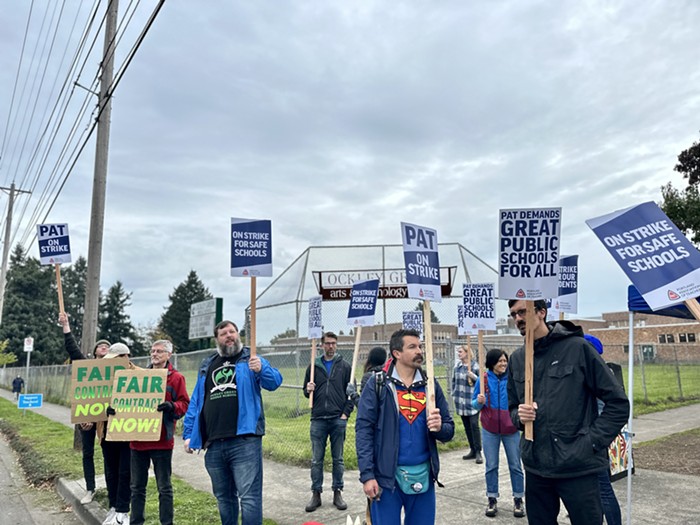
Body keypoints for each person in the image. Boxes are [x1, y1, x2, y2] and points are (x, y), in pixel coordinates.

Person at [506, 300, 630, 525]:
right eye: (513, 314)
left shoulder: (577, 348)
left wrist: (590, 443)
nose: (518, 319)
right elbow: (513, 408)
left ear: (542, 312)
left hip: (578, 468)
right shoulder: (517, 358)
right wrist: (519, 417)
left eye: (523, 312)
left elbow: (618, 404)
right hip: (536, 468)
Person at [183, 320, 283, 525]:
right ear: (217, 340)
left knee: (249, 498)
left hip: (244, 441)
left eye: (232, 331)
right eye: (223, 333)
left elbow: (274, 382)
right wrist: (188, 434)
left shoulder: (251, 359)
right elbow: (197, 401)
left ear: (238, 335)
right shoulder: (208, 364)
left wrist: (261, 368)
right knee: (224, 498)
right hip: (214, 444)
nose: (228, 335)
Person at [355, 328, 454, 525]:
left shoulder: (430, 385)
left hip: (424, 478)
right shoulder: (378, 384)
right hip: (386, 480)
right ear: (396, 353)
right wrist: (367, 475)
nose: (419, 351)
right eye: (412, 347)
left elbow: (449, 431)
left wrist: (439, 427)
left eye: (420, 346)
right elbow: (363, 430)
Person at [129, 340, 189, 525]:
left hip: (162, 440)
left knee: (164, 487)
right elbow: (125, 401)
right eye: (153, 351)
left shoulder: (176, 378)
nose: (154, 354)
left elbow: (185, 404)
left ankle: (166, 523)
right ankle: (136, 521)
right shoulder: (139, 376)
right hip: (138, 441)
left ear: (169, 355)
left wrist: (172, 406)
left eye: (159, 351)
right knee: (137, 487)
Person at [58, 312, 111, 505]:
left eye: (107, 346)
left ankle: (112, 487)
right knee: (88, 453)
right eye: (101, 345)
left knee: (110, 454)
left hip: (108, 419)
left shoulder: (118, 369)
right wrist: (66, 325)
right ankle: (90, 489)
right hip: (88, 417)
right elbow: (72, 348)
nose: (104, 347)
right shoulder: (86, 366)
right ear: (96, 351)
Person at [303, 331, 353, 512]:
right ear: (322, 345)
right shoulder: (313, 367)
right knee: (317, 460)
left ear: (336, 345)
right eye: (327, 343)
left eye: (333, 343)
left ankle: (337, 492)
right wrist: (308, 389)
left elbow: (352, 394)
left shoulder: (346, 367)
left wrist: (345, 415)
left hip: (337, 419)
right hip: (318, 419)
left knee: (338, 459)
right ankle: (316, 494)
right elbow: (305, 391)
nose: (330, 346)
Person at [472, 349, 525, 518]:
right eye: (500, 361)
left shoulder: (512, 379)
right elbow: (474, 405)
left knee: (516, 466)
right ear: (492, 362)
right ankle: (492, 498)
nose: (503, 364)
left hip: (511, 430)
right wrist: (478, 401)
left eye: (505, 361)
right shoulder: (483, 380)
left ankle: (518, 498)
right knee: (491, 465)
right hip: (490, 430)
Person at [584, 334, 623, 525]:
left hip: (593, 442)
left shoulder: (597, 375)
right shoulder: (599, 372)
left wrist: (592, 439)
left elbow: (604, 409)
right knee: (595, 490)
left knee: (603, 489)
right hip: (594, 440)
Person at [103, 342, 138, 525]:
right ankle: (113, 507)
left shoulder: (139, 375)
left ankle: (123, 510)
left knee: (125, 472)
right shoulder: (103, 375)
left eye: (115, 358)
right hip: (106, 432)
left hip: (127, 433)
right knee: (111, 472)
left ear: (125, 357)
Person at [452, 345, 483, 464]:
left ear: (467, 353)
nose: (459, 354)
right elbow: (454, 381)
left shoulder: (475, 366)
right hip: (461, 401)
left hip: (472, 402)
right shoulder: (457, 367)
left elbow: (482, 382)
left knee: (474, 425)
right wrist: (454, 393)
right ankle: (472, 449)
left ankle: (478, 451)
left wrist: (474, 377)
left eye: (460, 352)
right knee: (467, 427)